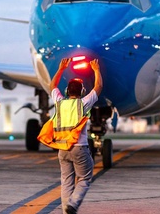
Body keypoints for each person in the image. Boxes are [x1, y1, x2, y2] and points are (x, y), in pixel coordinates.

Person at [49, 57, 103, 214]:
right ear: (82, 92)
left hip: (62, 148)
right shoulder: (83, 103)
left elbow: (52, 86)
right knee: (85, 178)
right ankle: (73, 203)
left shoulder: (59, 102)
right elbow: (98, 86)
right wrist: (96, 70)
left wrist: (61, 69)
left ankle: (67, 211)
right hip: (79, 148)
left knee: (66, 181)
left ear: (67, 92)